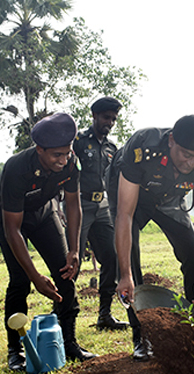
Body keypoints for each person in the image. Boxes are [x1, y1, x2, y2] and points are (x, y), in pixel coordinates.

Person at [110, 115, 194, 360]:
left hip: (169, 198)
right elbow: (125, 215)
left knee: (192, 250)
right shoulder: (142, 148)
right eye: (185, 155)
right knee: (130, 257)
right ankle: (141, 337)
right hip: (132, 195)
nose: (191, 163)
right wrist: (125, 274)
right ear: (171, 140)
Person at [0, 113, 97, 372]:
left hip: (44, 211)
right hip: (10, 216)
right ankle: (16, 350)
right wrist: (35, 276)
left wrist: (74, 249)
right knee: (20, 280)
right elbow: (13, 230)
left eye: (67, 153)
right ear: (40, 149)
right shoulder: (17, 168)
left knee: (66, 272)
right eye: (56, 156)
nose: (63, 161)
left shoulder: (72, 162)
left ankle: (68, 342)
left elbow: (73, 204)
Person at [72, 96, 130, 331]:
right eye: (106, 117)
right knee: (71, 262)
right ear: (94, 116)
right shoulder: (77, 141)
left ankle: (104, 315)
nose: (110, 122)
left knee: (112, 258)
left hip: (102, 207)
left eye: (114, 119)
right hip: (79, 205)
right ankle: (64, 317)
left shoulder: (111, 148)